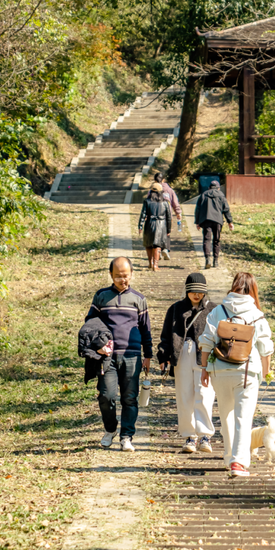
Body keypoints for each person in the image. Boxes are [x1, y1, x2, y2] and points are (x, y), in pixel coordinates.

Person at [199, 272, 273, 478]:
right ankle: (238, 463)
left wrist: (204, 369)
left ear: (233, 287)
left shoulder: (218, 311)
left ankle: (229, 456)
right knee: (243, 416)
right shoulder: (256, 314)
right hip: (246, 373)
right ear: (252, 290)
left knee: (226, 415)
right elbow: (265, 347)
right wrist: (266, 373)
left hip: (220, 372)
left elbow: (206, 341)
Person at [85, 256, 152, 452]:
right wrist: (98, 345)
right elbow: (90, 324)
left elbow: (145, 329)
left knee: (130, 398)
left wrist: (147, 355)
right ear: (111, 275)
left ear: (131, 274)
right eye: (118, 276)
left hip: (132, 356)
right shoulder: (101, 296)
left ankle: (126, 436)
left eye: (125, 276)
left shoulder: (138, 299)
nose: (122, 280)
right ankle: (110, 429)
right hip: (107, 357)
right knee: (106, 396)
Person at [157, 273, 217, 455]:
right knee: (184, 397)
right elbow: (166, 334)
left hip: (205, 356)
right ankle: (189, 436)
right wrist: (163, 356)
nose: (196, 295)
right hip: (182, 353)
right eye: (193, 292)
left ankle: (205, 435)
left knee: (205, 394)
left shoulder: (214, 309)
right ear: (187, 291)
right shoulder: (176, 309)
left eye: (200, 292)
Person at [194, 179, 233, 269]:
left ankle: (208, 259)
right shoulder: (221, 195)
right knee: (216, 240)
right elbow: (226, 209)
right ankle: (216, 261)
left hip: (206, 220)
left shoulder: (203, 195)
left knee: (207, 240)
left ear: (209, 187)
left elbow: (198, 209)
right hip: (218, 221)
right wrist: (229, 222)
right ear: (218, 188)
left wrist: (197, 222)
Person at [138, 183, 172, 271]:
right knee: (157, 245)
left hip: (149, 223)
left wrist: (140, 226)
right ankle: (155, 265)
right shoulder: (165, 203)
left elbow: (143, 214)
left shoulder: (147, 201)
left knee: (148, 244)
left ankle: (150, 263)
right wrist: (168, 229)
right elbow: (168, 217)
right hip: (161, 225)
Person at [152, 171, 182, 260]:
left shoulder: (152, 190)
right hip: (167, 215)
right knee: (167, 232)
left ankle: (158, 251)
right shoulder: (169, 190)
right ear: (163, 179)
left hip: (156, 215)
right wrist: (178, 213)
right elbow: (175, 202)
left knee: (157, 233)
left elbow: (149, 202)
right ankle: (166, 249)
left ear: (154, 180)